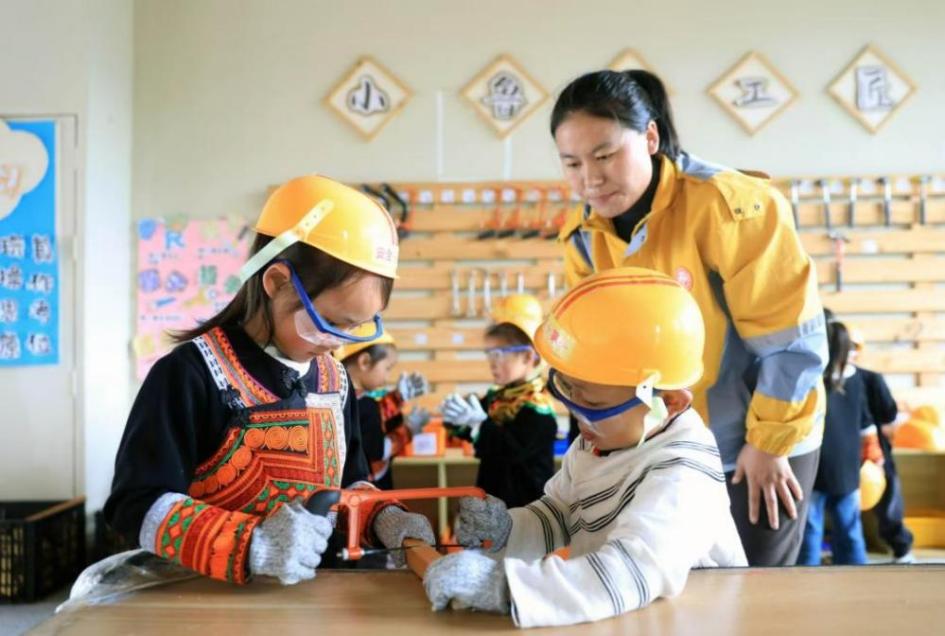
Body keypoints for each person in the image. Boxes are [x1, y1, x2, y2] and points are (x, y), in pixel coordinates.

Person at [551, 69, 827, 565]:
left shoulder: (733, 207)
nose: (589, 178)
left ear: (650, 137)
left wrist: (768, 443)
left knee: (753, 590)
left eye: (605, 154)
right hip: (656, 444)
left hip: (755, 439)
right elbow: (599, 357)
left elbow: (790, 342)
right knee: (666, 585)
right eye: (571, 162)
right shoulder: (582, 235)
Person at [103, 175, 434, 586]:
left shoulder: (336, 381)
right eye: (329, 323)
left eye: (353, 328)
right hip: (206, 604)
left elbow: (350, 485)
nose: (335, 343)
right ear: (276, 283)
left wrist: (386, 516)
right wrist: (252, 543)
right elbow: (134, 505)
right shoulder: (191, 374)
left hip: (321, 601)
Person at [423, 268, 746, 628]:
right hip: (621, 617)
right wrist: (507, 531)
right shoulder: (602, 440)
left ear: (668, 402)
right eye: (568, 390)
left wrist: (506, 588)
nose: (576, 414)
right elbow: (562, 515)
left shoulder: (684, 474)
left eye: (590, 401)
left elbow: (630, 571)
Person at [440, 294, 558, 508]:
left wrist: (480, 425)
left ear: (528, 356)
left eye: (500, 354)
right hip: (492, 500)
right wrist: (458, 420)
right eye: (490, 354)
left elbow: (511, 451)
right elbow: (477, 436)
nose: (492, 363)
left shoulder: (538, 406)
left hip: (525, 508)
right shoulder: (498, 396)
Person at [797, 320, 879, 565]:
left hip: (814, 463)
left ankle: (807, 579)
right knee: (850, 529)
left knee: (810, 529)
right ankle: (857, 576)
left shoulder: (811, 379)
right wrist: (873, 453)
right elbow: (866, 421)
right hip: (847, 465)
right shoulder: (854, 379)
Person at [848, 325, 914, 563]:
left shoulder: (871, 379)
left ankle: (902, 549)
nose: (848, 352)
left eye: (853, 347)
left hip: (874, 450)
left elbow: (888, 416)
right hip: (840, 451)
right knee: (841, 504)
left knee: (887, 501)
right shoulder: (826, 379)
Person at [336, 325, 432, 490]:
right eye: (387, 368)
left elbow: (372, 418)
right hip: (370, 486)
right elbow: (379, 451)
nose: (388, 377)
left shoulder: (339, 397)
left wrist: (397, 398)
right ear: (365, 362)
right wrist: (408, 430)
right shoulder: (366, 405)